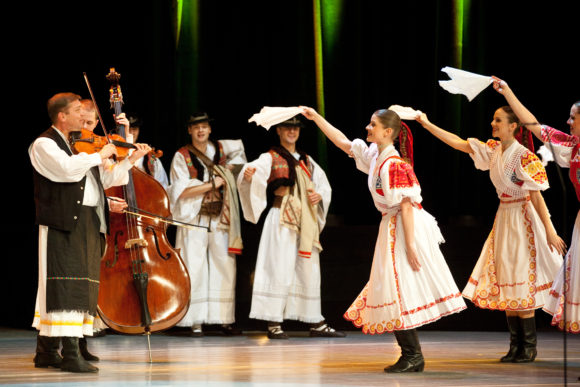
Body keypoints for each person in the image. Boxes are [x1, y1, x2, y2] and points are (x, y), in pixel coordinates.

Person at [301, 107, 466, 372]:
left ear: (387, 132)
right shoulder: (377, 157)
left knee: (399, 286)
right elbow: (344, 143)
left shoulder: (395, 164)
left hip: (403, 226)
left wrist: (411, 245)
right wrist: (317, 118)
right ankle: (411, 355)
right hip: (392, 224)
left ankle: (412, 355)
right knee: (395, 287)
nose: (367, 128)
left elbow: (407, 205)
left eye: (372, 125)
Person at [415, 103, 566, 363]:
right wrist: (427, 124)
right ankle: (515, 345)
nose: (493, 124)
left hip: (523, 218)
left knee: (521, 276)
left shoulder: (524, 156)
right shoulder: (494, 150)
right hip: (504, 217)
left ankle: (528, 347)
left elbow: (536, 196)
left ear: (513, 126)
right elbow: (459, 143)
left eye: (498, 120)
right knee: (505, 275)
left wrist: (550, 232)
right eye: (493, 120)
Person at [30, 92, 152, 373]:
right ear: (62, 116)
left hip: (86, 221)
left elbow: (107, 180)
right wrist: (100, 154)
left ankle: (51, 352)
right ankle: (69, 354)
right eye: (77, 111)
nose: (84, 117)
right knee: (65, 285)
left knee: (81, 286)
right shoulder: (44, 144)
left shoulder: (79, 147)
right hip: (63, 223)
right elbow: (66, 172)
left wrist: (130, 159)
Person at [237, 115, 344, 339]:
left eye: (295, 128)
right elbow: (253, 171)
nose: (292, 132)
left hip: (304, 219)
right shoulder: (270, 157)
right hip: (281, 218)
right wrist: (248, 175)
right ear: (278, 130)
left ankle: (315, 320)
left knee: (309, 267)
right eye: (287, 128)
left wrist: (318, 195)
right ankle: (274, 322)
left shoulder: (306, 159)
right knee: (278, 266)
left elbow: (323, 186)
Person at [492, 77, 578, 334]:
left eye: (573, 118)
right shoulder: (573, 146)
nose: (568, 122)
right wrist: (507, 92)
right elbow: (533, 125)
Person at [167, 112, 246, 336]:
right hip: (194, 218)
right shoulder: (181, 155)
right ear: (189, 131)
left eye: (204, 127)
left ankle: (223, 318)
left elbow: (240, 154)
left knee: (224, 264)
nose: (200, 131)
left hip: (220, 216)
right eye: (196, 127)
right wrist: (213, 184)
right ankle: (194, 320)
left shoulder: (220, 149)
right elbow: (181, 191)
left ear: (210, 129)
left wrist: (235, 171)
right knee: (194, 264)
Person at [125, 113, 169, 189]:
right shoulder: (114, 154)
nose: (131, 133)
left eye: (134, 129)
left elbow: (162, 185)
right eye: (128, 129)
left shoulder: (150, 157)